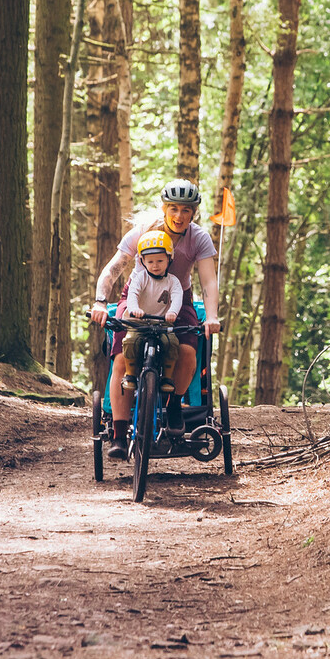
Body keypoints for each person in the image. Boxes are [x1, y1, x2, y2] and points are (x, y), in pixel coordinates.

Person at [89, 179, 221, 457]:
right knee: (123, 360)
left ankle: (174, 404)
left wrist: (211, 317)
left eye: (186, 210)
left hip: (177, 297)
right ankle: (120, 433)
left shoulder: (198, 238)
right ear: (163, 208)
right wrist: (100, 302)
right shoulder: (143, 232)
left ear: (194, 213)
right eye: (173, 208)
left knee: (187, 352)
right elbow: (113, 270)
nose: (179, 216)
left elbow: (208, 282)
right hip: (136, 298)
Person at [120, 230, 183, 395]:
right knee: (130, 341)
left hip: (162, 323)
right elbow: (132, 294)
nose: (155, 265)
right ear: (143, 261)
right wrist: (134, 309)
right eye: (150, 261)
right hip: (139, 322)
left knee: (171, 343)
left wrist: (172, 312)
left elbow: (177, 298)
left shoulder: (173, 281)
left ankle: (167, 378)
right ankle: (130, 375)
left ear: (169, 259)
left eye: (160, 261)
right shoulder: (140, 278)